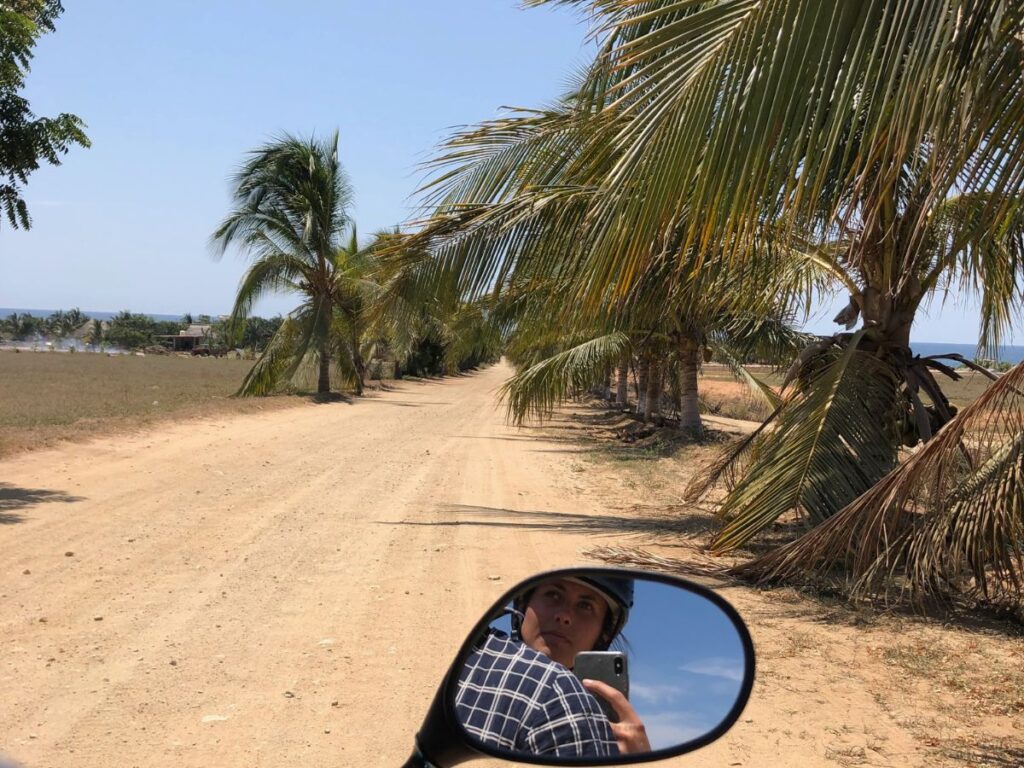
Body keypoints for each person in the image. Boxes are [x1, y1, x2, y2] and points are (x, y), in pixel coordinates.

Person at [455, 576, 650, 757]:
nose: (564, 616)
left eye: (585, 606)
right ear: (524, 604)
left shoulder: (472, 648)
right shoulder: (565, 695)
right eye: (553, 594)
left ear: (603, 633)